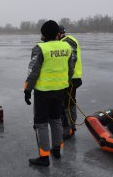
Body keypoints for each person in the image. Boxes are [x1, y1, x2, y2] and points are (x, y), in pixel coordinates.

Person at [24, 20, 74, 166]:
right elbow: (70, 70)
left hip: (43, 92)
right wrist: (65, 83)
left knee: (41, 124)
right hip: (60, 91)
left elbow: (33, 72)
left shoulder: (40, 48)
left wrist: (27, 90)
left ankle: (44, 157)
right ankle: (57, 149)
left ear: (44, 34)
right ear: (57, 33)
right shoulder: (66, 47)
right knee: (56, 120)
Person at [58, 25, 83, 140]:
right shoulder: (67, 40)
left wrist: (66, 78)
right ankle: (71, 127)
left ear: (59, 33)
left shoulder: (67, 41)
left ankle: (69, 130)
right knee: (70, 102)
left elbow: (72, 60)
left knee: (66, 104)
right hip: (72, 78)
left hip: (71, 79)